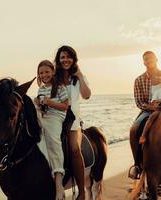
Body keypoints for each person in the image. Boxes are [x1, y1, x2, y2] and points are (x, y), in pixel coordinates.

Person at [128, 51, 161, 179]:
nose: (149, 61)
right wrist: (151, 107)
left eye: (151, 59)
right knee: (133, 130)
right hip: (148, 111)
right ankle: (137, 165)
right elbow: (139, 102)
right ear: (144, 62)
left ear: (156, 59)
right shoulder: (139, 80)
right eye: (146, 60)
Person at [54, 45, 91, 200]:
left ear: (74, 59)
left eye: (68, 57)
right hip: (55, 117)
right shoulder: (54, 77)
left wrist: (81, 76)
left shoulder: (77, 79)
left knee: (75, 149)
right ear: (58, 59)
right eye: (62, 57)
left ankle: (82, 193)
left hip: (73, 120)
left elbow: (87, 95)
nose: (65, 60)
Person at [36, 60, 69, 200]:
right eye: (41, 72)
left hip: (56, 116)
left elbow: (65, 106)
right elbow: (41, 106)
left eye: (47, 71)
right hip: (44, 115)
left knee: (53, 139)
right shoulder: (41, 89)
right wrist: (38, 104)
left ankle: (58, 180)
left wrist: (49, 102)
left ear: (53, 72)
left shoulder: (60, 87)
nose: (44, 75)